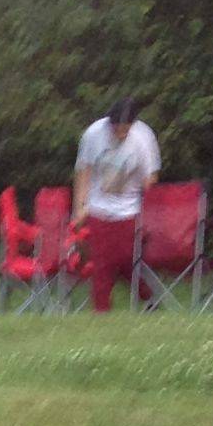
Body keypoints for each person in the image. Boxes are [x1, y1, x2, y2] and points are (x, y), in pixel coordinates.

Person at [74, 98, 160, 313]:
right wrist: (80, 206)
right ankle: (102, 312)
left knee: (125, 262)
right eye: (117, 130)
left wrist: (133, 180)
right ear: (109, 124)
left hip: (129, 210)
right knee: (102, 265)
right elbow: (83, 171)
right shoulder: (93, 135)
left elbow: (151, 178)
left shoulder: (143, 137)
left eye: (125, 130)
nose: (121, 134)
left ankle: (148, 299)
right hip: (98, 209)